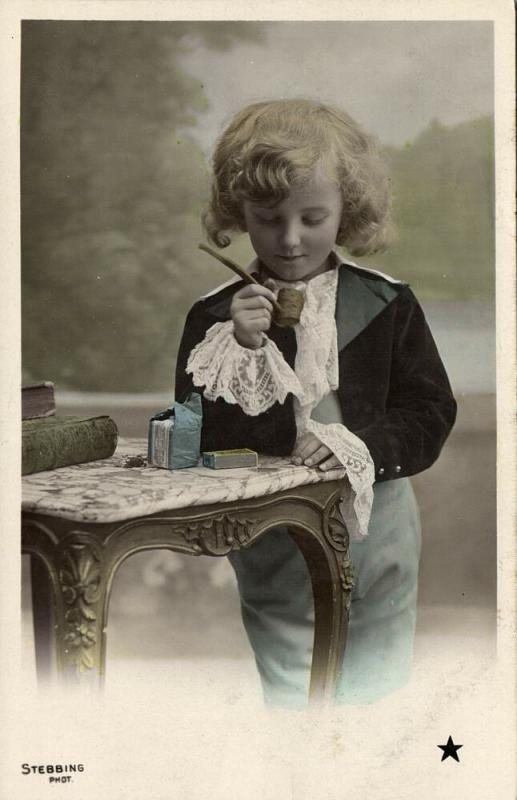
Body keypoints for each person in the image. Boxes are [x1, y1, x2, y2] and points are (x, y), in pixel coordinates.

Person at [175, 99, 457, 708]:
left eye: (313, 216)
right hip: (272, 534)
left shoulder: (386, 302)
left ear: (346, 212)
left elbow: (430, 413)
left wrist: (359, 444)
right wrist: (243, 346)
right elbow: (198, 438)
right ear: (239, 212)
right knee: (293, 692)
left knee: (377, 690)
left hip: (378, 524)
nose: (291, 238)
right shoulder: (215, 317)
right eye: (268, 217)